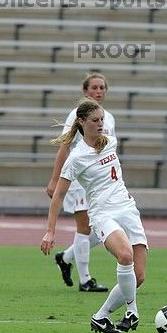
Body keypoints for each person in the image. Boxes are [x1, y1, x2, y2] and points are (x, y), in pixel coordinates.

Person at [41, 98, 148, 333]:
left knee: (138, 276)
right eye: (95, 120)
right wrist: (50, 231)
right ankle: (132, 311)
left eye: (102, 120)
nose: (101, 124)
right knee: (124, 254)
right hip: (103, 213)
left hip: (128, 210)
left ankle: (101, 317)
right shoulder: (76, 158)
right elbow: (58, 197)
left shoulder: (110, 141)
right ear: (81, 122)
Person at [46, 72, 115, 292]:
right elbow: (64, 147)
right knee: (84, 227)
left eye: (102, 87)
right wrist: (55, 179)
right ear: (85, 91)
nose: (98, 91)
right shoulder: (76, 115)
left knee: (102, 227)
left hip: (100, 182)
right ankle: (85, 280)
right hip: (79, 179)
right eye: (94, 87)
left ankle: (65, 257)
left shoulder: (109, 118)